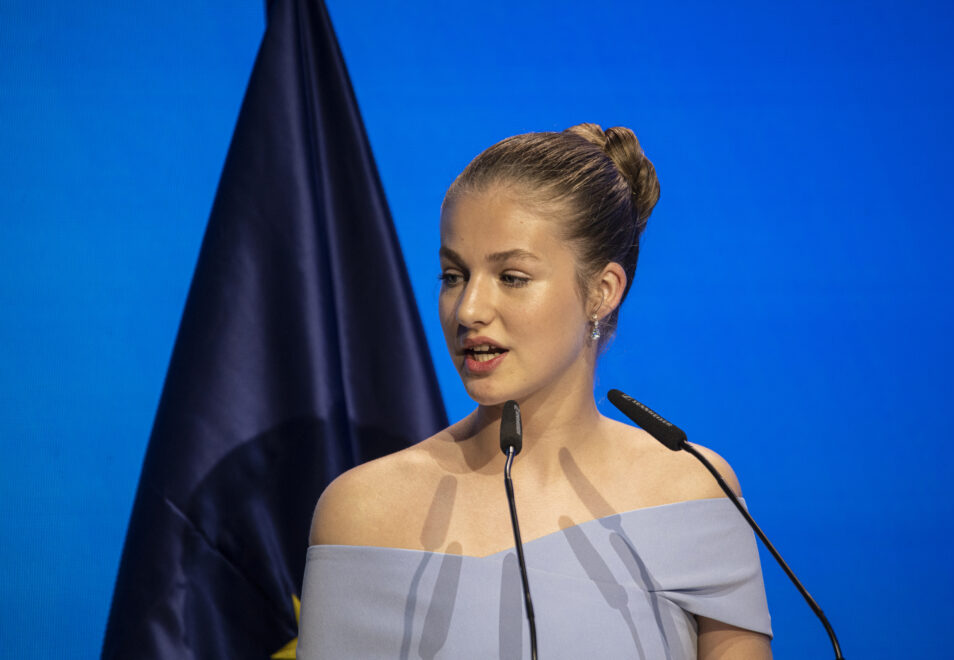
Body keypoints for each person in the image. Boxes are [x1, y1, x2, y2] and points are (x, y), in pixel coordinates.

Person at [297, 124, 773, 659]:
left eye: (512, 277)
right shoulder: (362, 510)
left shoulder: (694, 491)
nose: (469, 310)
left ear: (602, 291)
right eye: (454, 275)